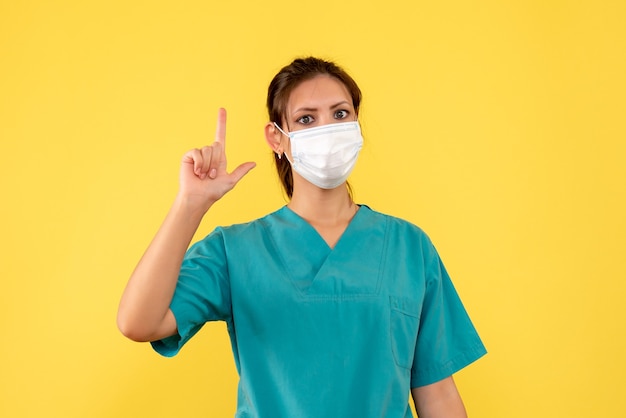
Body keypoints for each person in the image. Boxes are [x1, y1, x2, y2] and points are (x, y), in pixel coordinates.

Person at [117, 57, 487, 418]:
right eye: (306, 119)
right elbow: (139, 322)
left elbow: (436, 392)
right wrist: (189, 205)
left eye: (340, 114)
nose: (327, 128)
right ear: (277, 138)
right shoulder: (236, 251)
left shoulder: (409, 247)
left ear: (357, 125)